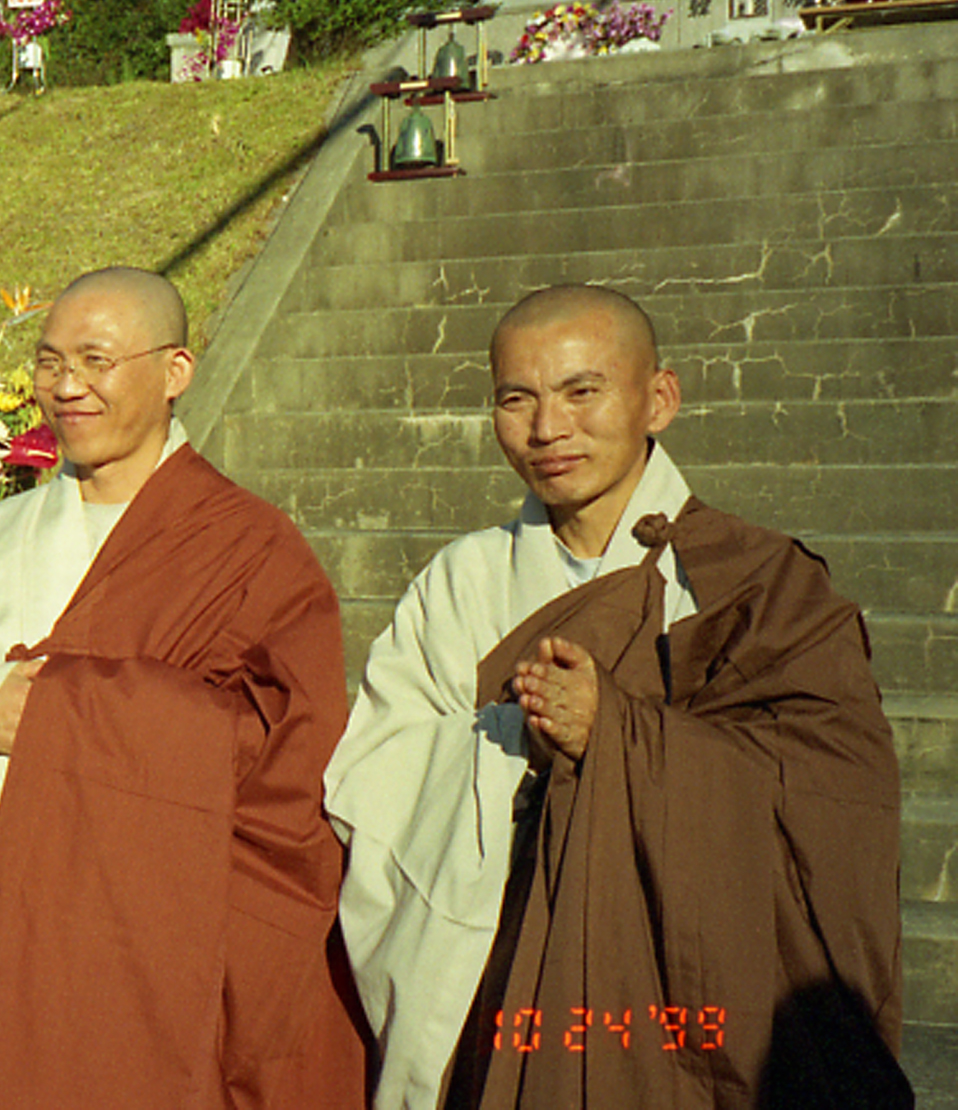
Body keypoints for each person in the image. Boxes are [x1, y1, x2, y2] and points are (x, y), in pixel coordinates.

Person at [325, 284, 907, 1109]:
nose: (547, 428)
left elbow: (832, 791)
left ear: (658, 398)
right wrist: (515, 738)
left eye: (581, 391)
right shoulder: (460, 582)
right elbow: (374, 775)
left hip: (679, 1010)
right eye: (516, 399)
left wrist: (620, 734)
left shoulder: (759, 582)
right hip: (495, 992)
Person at [0, 266, 368, 1110]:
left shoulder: (251, 550)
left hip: (142, 940)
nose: (67, 387)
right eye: (50, 362)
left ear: (175, 371)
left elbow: (287, 761)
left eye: (96, 361)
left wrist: (64, 713)